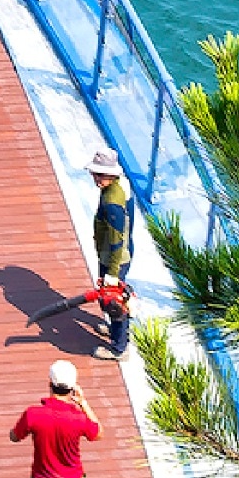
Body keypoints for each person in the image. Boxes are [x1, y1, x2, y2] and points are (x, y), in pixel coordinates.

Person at [88, 150, 136, 360]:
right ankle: (119, 332)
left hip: (114, 257)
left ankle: (119, 347)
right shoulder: (120, 187)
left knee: (113, 302)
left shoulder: (112, 203)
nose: (96, 179)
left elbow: (117, 240)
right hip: (114, 252)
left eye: (100, 175)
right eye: (95, 174)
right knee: (111, 301)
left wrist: (113, 273)